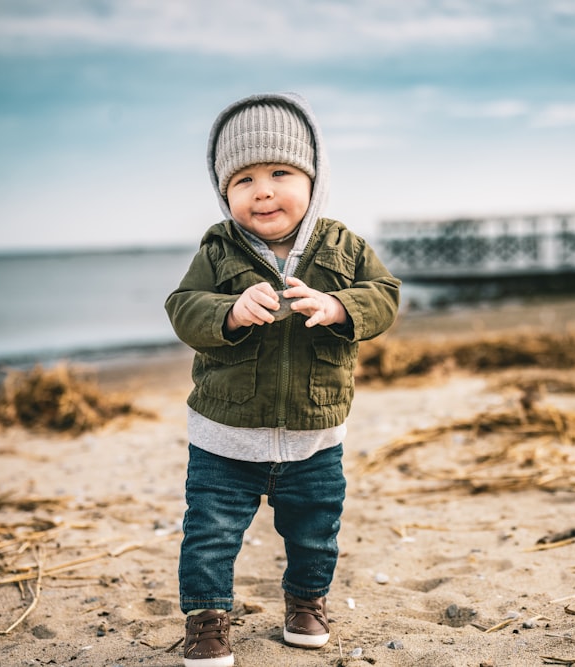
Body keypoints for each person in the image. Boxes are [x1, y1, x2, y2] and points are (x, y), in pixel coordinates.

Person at [165, 92, 401, 667]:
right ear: (225, 194)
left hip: (314, 432)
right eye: (243, 180)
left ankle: (306, 603)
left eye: (279, 173)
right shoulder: (219, 250)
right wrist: (226, 312)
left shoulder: (343, 245)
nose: (263, 190)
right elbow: (183, 305)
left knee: (316, 529)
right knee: (211, 533)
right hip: (226, 433)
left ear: (313, 180)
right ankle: (207, 618)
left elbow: (386, 295)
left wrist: (340, 307)